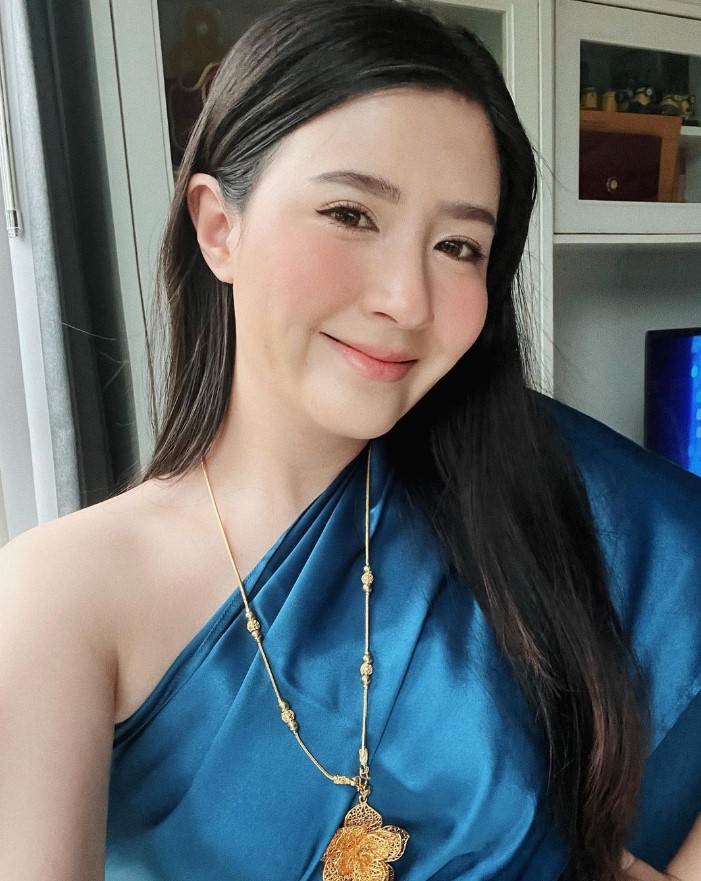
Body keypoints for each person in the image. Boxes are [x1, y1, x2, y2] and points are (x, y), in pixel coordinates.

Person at [0, 0, 700, 879]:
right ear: (218, 227)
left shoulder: (528, 488)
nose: (406, 300)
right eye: (350, 213)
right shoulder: (60, 597)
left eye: (458, 246)